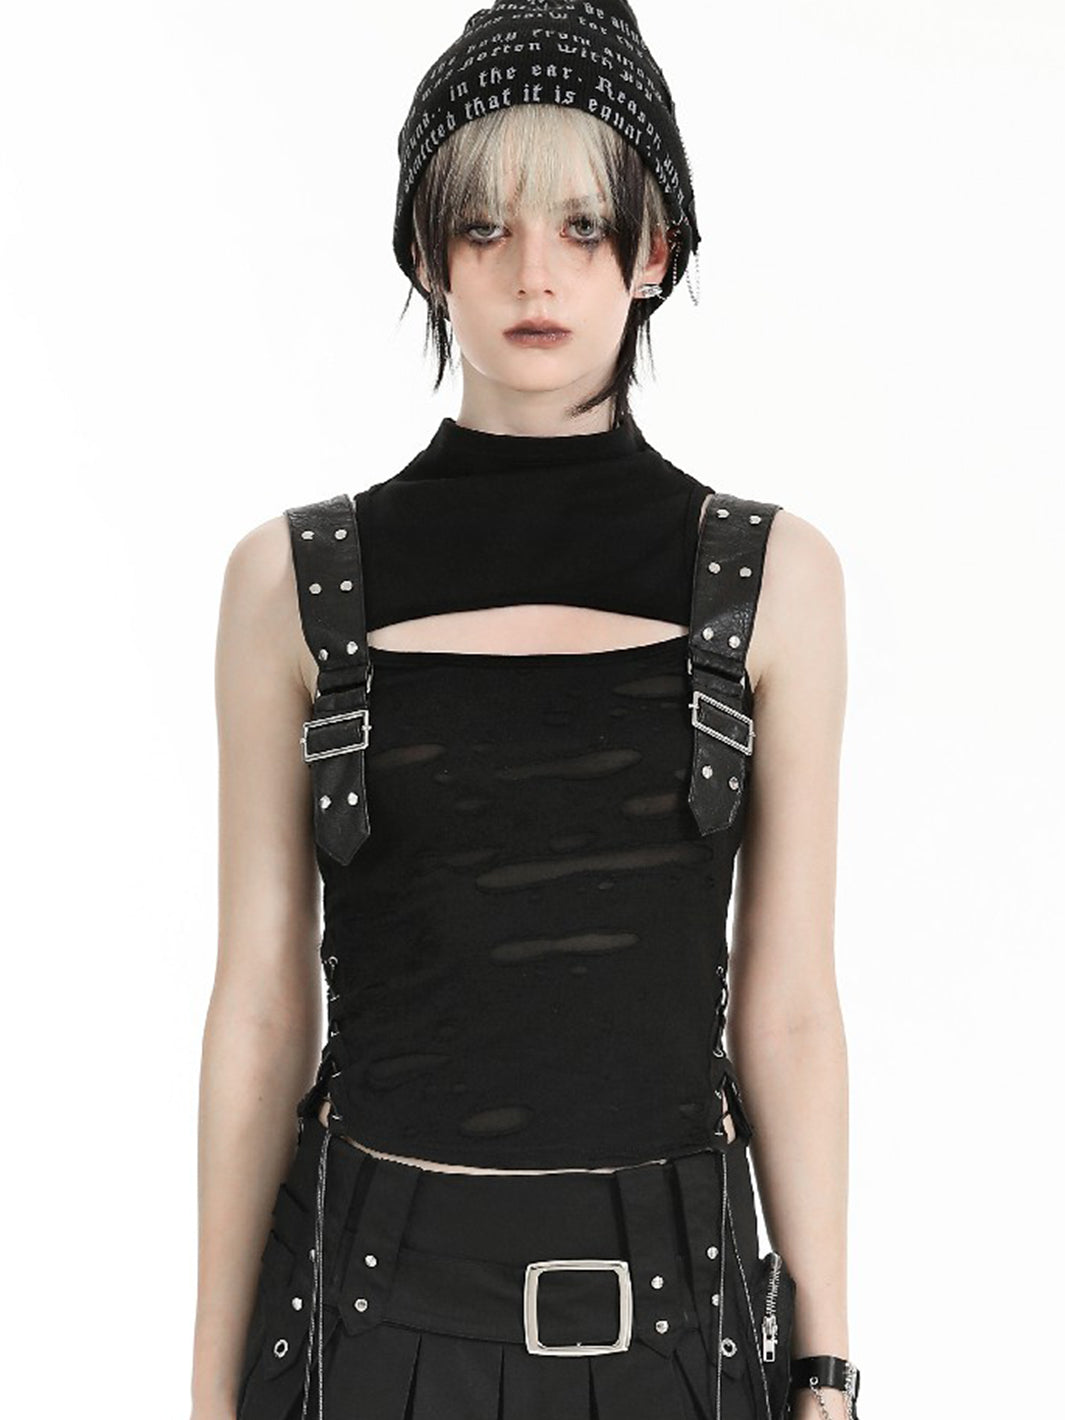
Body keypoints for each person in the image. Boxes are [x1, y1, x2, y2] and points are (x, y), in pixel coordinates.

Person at [190, 5, 860, 1420]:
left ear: (654, 251)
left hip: (680, 1335)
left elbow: (790, 1002)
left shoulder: (772, 578)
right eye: (484, 226)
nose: (532, 273)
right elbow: (259, 1003)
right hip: (365, 1322)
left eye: (580, 224)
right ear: (425, 254)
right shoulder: (292, 581)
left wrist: (826, 1368)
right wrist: (205, 1393)